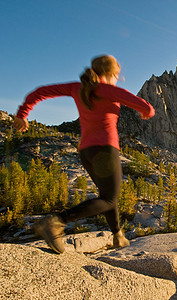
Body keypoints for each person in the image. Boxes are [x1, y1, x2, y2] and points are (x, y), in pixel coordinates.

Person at [14, 55, 155, 254]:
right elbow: (148, 108)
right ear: (113, 73)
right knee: (108, 199)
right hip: (105, 149)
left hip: (86, 152)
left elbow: (40, 92)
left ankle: (117, 235)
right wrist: (145, 113)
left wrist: (22, 114)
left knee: (107, 196)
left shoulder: (76, 87)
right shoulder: (110, 90)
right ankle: (57, 222)